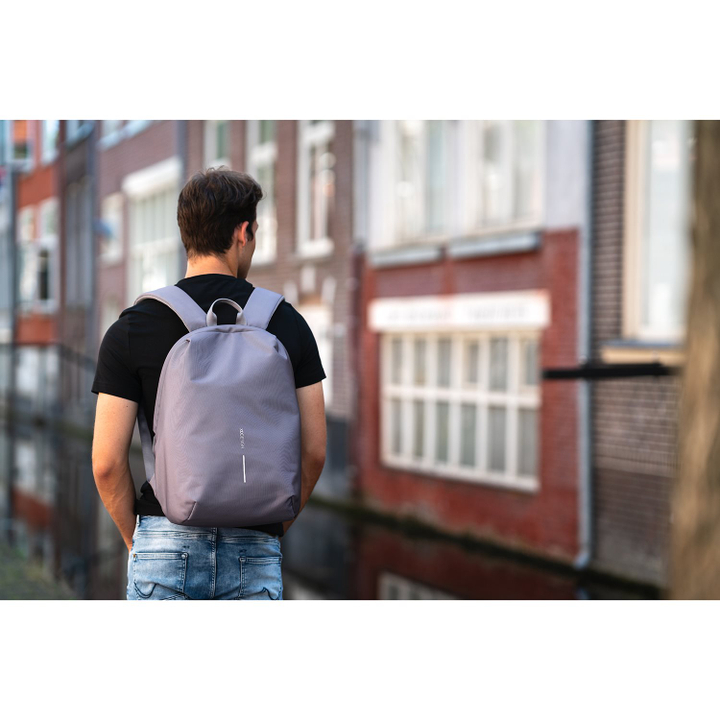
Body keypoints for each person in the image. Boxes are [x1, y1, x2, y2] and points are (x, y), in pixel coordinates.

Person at [91, 168, 327, 600]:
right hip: (254, 545)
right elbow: (314, 451)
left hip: (163, 542)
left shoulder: (132, 327)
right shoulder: (288, 323)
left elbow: (106, 463)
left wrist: (138, 541)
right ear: (242, 232)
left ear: (186, 234)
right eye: (254, 233)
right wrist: (272, 529)